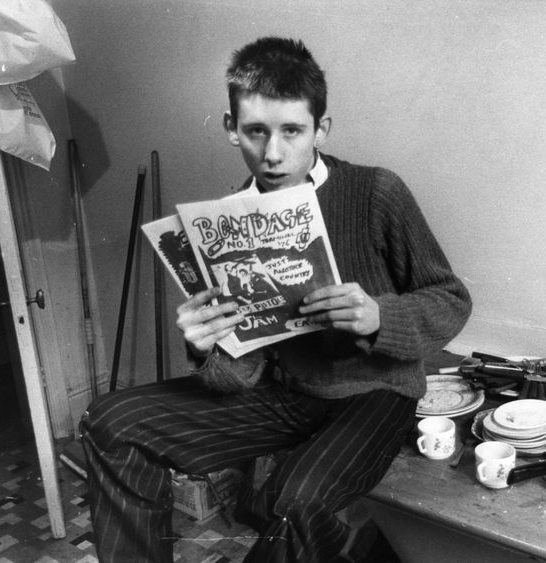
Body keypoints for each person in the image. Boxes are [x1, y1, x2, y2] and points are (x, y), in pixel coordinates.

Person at [80, 36, 471, 563]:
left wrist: (382, 316)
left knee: (293, 504)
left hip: (376, 393)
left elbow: (450, 298)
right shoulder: (225, 223)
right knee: (111, 422)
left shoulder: (376, 191)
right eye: (255, 131)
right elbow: (233, 380)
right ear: (229, 127)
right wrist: (208, 348)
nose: (274, 153)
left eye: (293, 131)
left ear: (320, 130)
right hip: (285, 396)